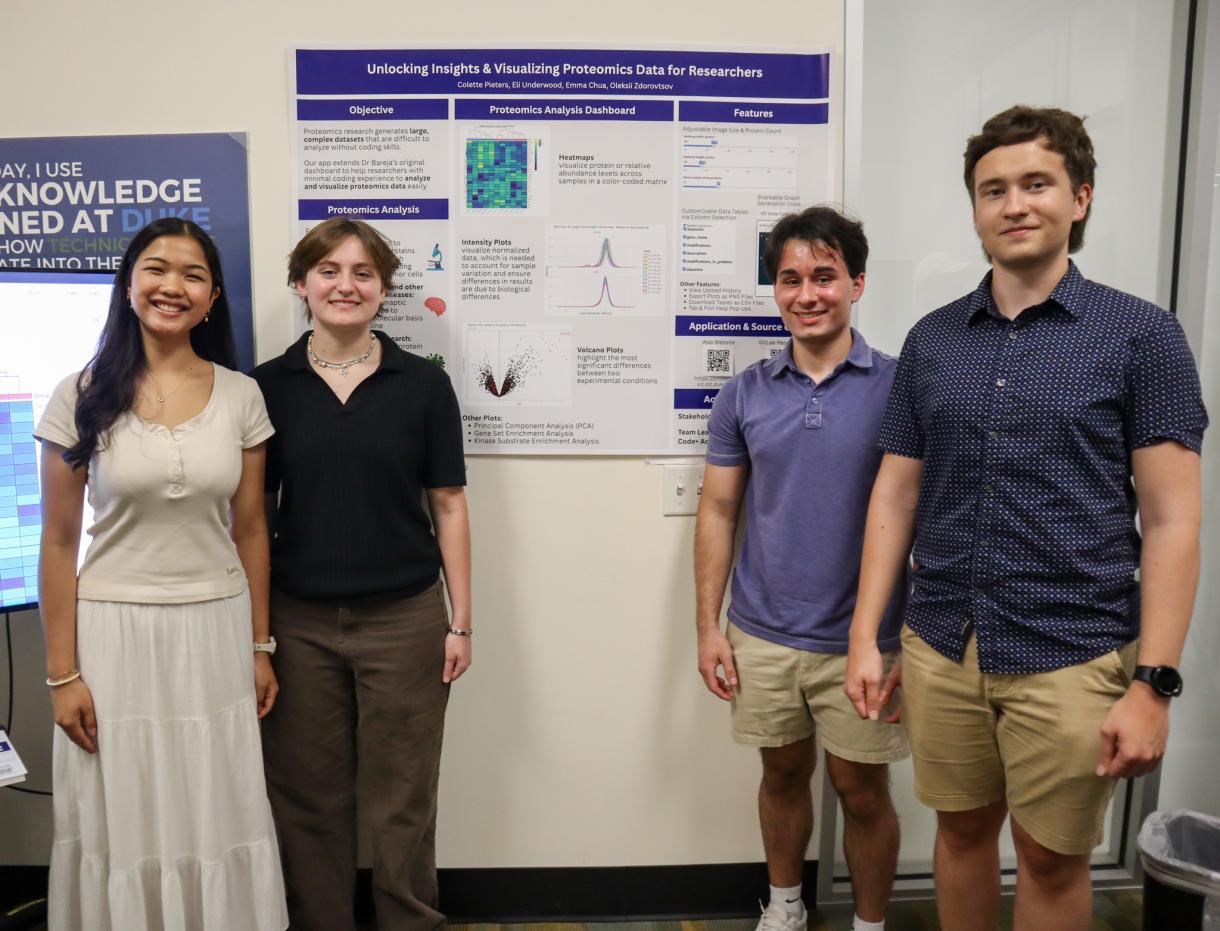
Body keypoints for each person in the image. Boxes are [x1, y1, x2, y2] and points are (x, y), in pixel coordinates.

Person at [845, 106, 1207, 931]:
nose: (1014, 204)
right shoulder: (933, 340)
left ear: (1079, 197)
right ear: (974, 209)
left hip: (1071, 651)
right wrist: (869, 635)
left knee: (1050, 855)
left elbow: (1174, 518)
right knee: (963, 830)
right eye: (993, 189)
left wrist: (1154, 682)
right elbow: (896, 495)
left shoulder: (1141, 336)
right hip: (942, 644)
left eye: (1036, 184)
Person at [36, 218, 288, 930]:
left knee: (215, 806)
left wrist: (259, 646)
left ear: (212, 298)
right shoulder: (79, 393)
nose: (172, 285)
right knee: (127, 813)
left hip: (214, 630)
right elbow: (58, 543)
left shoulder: (241, 396)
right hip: (114, 637)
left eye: (192, 274)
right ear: (128, 284)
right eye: (156, 268)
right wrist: (62, 674)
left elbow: (249, 531)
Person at [253, 217, 471, 931]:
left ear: (383, 289)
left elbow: (448, 503)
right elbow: (251, 517)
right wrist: (257, 635)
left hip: (406, 618)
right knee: (309, 795)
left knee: (403, 795)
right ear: (301, 283)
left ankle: (408, 919)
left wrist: (460, 619)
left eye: (363, 273)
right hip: (298, 621)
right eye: (328, 270)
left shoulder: (424, 387)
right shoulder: (266, 388)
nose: (345, 284)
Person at [695, 207, 908, 931]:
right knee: (781, 775)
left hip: (867, 639)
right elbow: (719, 512)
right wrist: (708, 628)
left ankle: (870, 923)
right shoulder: (744, 393)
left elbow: (926, 514)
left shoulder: (900, 387)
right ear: (775, 290)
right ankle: (784, 906)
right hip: (762, 632)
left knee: (863, 790)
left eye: (824, 275)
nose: (807, 293)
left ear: (857, 283)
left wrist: (904, 638)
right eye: (790, 278)